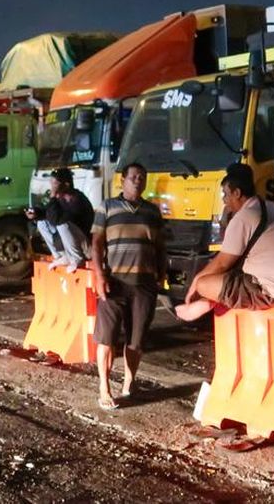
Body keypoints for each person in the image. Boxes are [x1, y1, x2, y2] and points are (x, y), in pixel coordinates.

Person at [176, 163, 274, 322]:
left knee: (205, 283)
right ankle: (206, 302)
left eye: (225, 194)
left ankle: (204, 305)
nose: (224, 200)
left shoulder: (245, 216)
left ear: (237, 193)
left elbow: (222, 263)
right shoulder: (269, 207)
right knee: (228, 277)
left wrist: (195, 284)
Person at [90, 162, 166, 410]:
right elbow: (97, 244)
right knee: (107, 338)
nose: (138, 180)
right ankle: (104, 387)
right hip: (114, 282)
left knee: (136, 340)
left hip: (144, 284)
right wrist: (99, 275)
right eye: (133, 177)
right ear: (122, 180)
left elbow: (160, 247)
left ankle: (129, 383)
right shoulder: (107, 207)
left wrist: (161, 274)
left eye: (142, 177)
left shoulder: (153, 212)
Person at [27, 168, 95, 271]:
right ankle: (61, 256)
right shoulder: (61, 199)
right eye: (52, 183)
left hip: (85, 247)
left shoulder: (76, 199)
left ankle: (77, 259)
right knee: (42, 223)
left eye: (55, 184)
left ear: (66, 185)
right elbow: (47, 213)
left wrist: (53, 198)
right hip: (68, 245)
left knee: (62, 224)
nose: (52, 187)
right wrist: (36, 213)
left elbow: (57, 219)